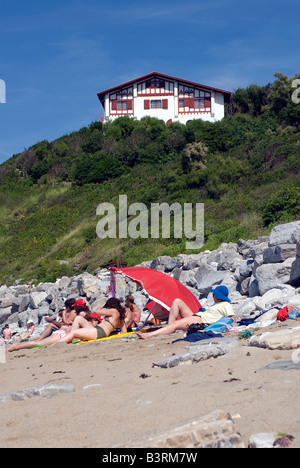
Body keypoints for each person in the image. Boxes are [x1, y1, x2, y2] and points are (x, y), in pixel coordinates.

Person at [137, 285, 236, 339]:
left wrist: (215, 324)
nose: (213, 296)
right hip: (198, 316)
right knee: (177, 301)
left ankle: (149, 335)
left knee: (176, 324)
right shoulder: (218, 305)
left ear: (217, 296)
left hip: (201, 320)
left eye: (213, 294)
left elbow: (232, 320)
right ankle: (169, 328)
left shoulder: (226, 305)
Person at [59, 298, 127, 343]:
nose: (107, 307)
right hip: (98, 331)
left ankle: (58, 344)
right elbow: (124, 332)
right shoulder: (120, 317)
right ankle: (69, 338)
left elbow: (97, 311)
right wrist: (111, 333)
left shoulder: (114, 311)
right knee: (78, 318)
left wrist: (104, 304)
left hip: (99, 332)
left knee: (74, 332)